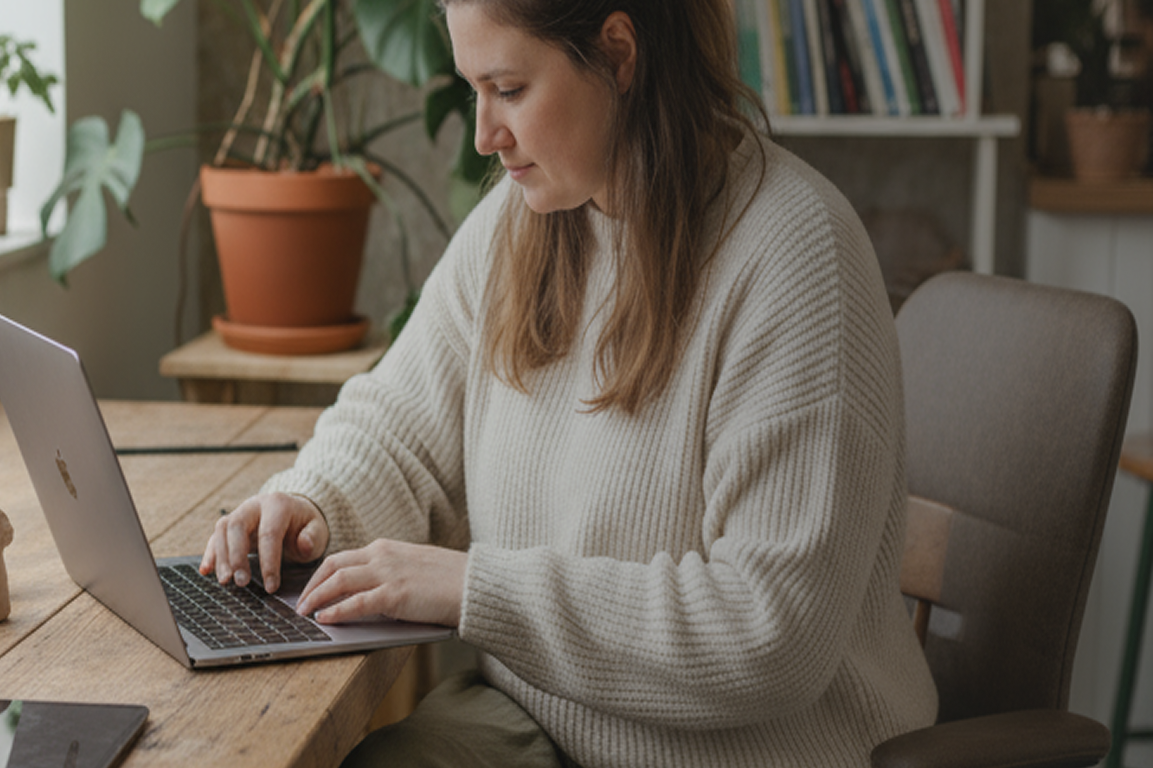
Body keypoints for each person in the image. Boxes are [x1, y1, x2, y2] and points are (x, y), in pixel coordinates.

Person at [200, 0, 939, 765]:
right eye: (473, 90)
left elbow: (768, 633)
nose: (485, 134)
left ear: (619, 55)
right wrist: (311, 504)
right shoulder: (517, 226)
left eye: (510, 89)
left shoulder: (796, 256)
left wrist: (473, 591)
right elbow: (398, 429)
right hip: (540, 726)